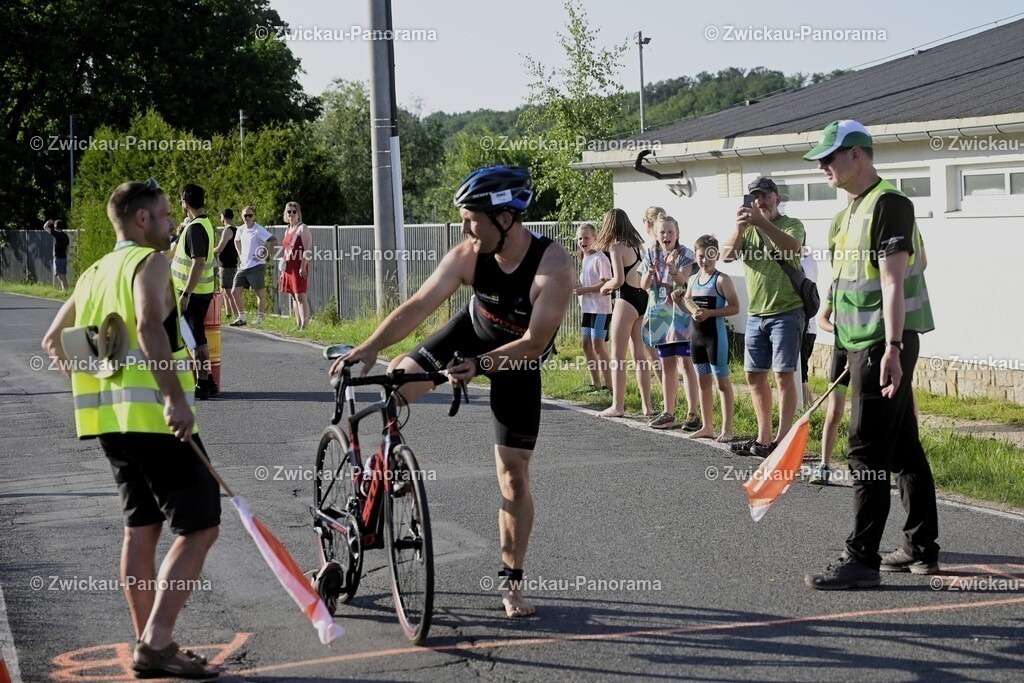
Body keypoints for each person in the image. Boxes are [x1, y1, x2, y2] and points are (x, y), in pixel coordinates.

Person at [330, 166, 573, 617]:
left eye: (470, 218)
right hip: (470, 335)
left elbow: (535, 342)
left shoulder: (553, 265)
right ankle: (371, 482)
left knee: (514, 476)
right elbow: (420, 305)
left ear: (505, 218)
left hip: (516, 358)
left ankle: (511, 581)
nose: (463, 227)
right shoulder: (468, 254)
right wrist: (368, 348)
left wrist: (480, 367)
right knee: (396, 382)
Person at [40, 179, 221, 678]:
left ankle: (150, 643)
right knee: (202, 525)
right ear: (141, 220)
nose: (172, 225)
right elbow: (146, 326)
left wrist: (103, 371)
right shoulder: (150, 262)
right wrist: (174, 399)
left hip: (110, 424)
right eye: (165, 217)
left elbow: (53, 342)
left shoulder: (95, 271)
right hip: (155, 423)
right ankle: (157, 641)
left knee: (141, 529)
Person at [802, 119, 938, 590]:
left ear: (857, 154)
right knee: (902, 448)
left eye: (830, 157)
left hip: (886, 344)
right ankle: (922, 549)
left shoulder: (891, 204)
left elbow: (895, 279)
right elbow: (846, 277)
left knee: (865, 449)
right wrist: (828, 311)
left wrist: (894, 349)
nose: (822, 166)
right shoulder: (847, 213)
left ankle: (862, 558)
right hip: (857, 341)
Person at [723, 177, 806, 458]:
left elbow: (792, 248)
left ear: (777, 199)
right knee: (754, 375)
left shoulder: (791, 224)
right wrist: (739, 228)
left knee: (784, 376)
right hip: (757, 313)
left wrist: (762, 223)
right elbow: (726, 255)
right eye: (755, 197)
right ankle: (763, 438)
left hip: (786, 310)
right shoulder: (747, 229)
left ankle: (783, 440)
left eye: (765, 196)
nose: (759, 201)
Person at [639, 216, 699, 430]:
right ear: (656, 234)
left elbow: (683, 280)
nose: (666, 236)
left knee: (685, 363)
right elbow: (643, 285)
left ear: (677, 233)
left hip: (680, 316)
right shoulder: (650, 254)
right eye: (662, 232)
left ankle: (693, 414)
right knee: (666, 364)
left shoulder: (685, 254)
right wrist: (649, 272)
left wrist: (672, 268)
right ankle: (669, 412)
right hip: (660, 317)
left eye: (670, 232)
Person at [595, 209, 655, 418]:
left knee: (617, 356)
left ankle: (617, 406)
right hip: (642, 299)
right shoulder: (639, 246)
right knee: (640, 356)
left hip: (626, 299)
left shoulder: (616, 246)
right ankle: (647, 406)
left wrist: (605, 287)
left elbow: (618, 279)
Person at [685, 235, 739, 442]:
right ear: (695, 255)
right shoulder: (692, 280)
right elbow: (689, 307)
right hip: (696, 338)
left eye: (709, 256)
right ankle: (707, 426)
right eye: (700, 256)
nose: (704, 261)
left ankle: (727, 429)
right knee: (703, 382)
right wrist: (679, 301)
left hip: (715, 339)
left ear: (716, 255)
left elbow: (735, 307)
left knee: (722, 383)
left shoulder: (722, 279)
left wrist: (710, 313)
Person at [172, 184, 217, 399]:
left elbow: (198, 263)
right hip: (200, 290)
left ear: (185, 204)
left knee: (194, 338)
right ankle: (207, 380)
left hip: (192, 293)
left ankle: (202, 383)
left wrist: (186, 294)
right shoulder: (202, 224)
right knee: (193, 336)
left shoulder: (195, 229)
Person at [809, 292, 848, 485]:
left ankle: (874, 467)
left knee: (866, 412)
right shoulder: (837, 283)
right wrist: (837, 330)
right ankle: (824, 465)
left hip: (866, 354)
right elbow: (822, 319)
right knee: (834, 411)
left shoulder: (872, 281)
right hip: (841, 352)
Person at [573, 223, 612, 393]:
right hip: (587, 309)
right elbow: (587, 282)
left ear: (595, 238)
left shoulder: (600, 257)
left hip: (601, 309)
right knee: (586, 345)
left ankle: (610, 386)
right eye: (580, 238)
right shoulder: (584, 257)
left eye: (586, 237)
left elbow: (606, 282)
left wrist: (585, 289)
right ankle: (596, 384)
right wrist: (578, 286)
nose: (583, 241)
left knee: (598, 345)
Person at [230, 206, 276, 326]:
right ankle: (242, 317)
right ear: (242, 216)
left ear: (253, 216)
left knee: (259, 293)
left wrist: (265, 252)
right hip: (244, 266)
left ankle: (260, 318)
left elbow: (274, 241)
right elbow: (236, 240)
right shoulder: (240, 230)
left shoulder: (258, 229)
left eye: (250, 215)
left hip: (256, 265)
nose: (248, 218)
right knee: (235, 291)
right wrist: (240, 253)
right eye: (245, 215)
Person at [279, 201, 311, 330]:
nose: (291, 214)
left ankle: (305, 325)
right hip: (288, 267)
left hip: (299, 265)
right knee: (293, 295)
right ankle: (298, 324)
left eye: (294, 211)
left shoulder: (302, 228)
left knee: (300, 295)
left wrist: (303, 266)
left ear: (298, 214)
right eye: (289, 212)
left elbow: (307, 250)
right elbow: (286, 249)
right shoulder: (288, 229)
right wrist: (282, 270)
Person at [799, 245, 819, 409]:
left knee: (801, 375)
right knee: (800, 374)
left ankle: (809, 411)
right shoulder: (810, 259)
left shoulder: (804, 262)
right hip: (809, 328)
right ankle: (808, 410)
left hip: (805, 328)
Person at [213, 208, 241, 322]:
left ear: (223, 217)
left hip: (227, 265)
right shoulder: (236, 230)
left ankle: (236, 314)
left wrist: (209, 251)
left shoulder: (228, 230)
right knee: (224, 290)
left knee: (228, 291)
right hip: (231, 263)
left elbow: (220, 248)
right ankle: (229, 314)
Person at [43, 219, 71, 291]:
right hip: (63, 257)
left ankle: (65, 290)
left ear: (56, 227)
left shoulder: (56, 234)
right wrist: (65, 257)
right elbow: (67, 249)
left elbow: (45, 227)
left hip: (58, 257)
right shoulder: (65, 236)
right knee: (62, 275)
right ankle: (65, 290)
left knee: (60, 276)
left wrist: (49, 222)